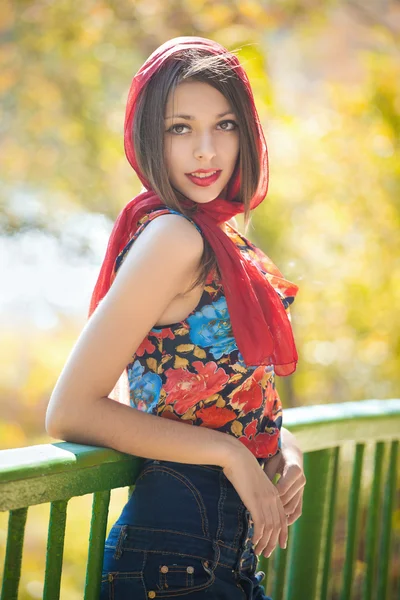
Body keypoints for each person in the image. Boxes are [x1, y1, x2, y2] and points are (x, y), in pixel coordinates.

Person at [45, 36, 306, 599]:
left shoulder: (217, 237)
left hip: (214, 549)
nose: (206, 151)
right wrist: (233, 455)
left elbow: (235, 391)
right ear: (149, 138)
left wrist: (284, 448)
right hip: (178, 552)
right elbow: (69, 410)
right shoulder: (172, 236)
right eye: (180, 128)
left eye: (225, 125)